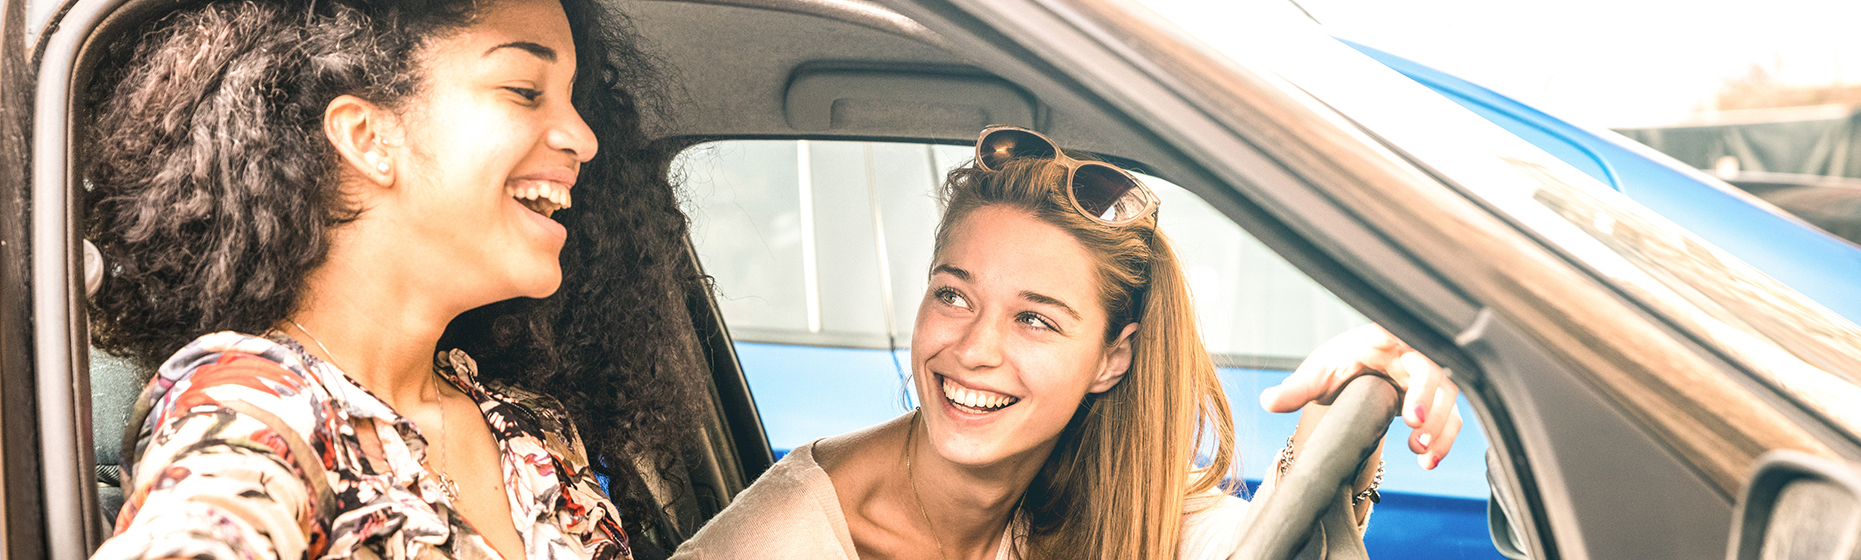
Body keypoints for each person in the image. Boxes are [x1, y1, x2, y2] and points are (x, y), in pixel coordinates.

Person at [83, 0, 703, 558]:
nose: (585, 139)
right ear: (367, 136)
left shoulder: (532, 431)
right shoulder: (257, 415)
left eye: (571, 98)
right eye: (523, 89)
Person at [669, 126, 1464, 559]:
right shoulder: (783, 541)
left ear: (1112, 358)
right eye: (954, 294)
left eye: (1035, 318)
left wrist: (1350, 401)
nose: (973, 350)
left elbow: (1249, 545)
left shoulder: (1104, 493)